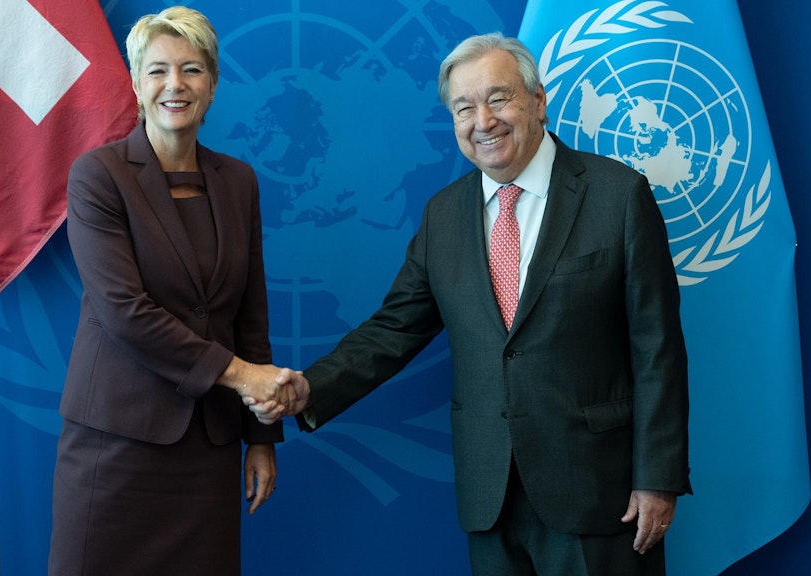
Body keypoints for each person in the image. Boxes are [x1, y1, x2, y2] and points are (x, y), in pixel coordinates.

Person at [251, 33, 690, 575]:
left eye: (498, 98)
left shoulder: (617, 195)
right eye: (464, 107)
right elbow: (394, 330)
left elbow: (657, 349)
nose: (483, 120)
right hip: (490, 496)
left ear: (537, 100)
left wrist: (657, 476)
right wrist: (311, 387)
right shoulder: (443, 216)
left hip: (600, 493)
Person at [48, 7, 298, 576]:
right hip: (116, 444)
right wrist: (243, 376)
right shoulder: (97, 175)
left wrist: (261, 438)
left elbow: (249, 312)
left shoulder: (239, 181)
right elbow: (124, 313)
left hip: (207, 448)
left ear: (212, 84)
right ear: (137, 85)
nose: (175, 85)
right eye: (158, 70)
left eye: (191, 69)